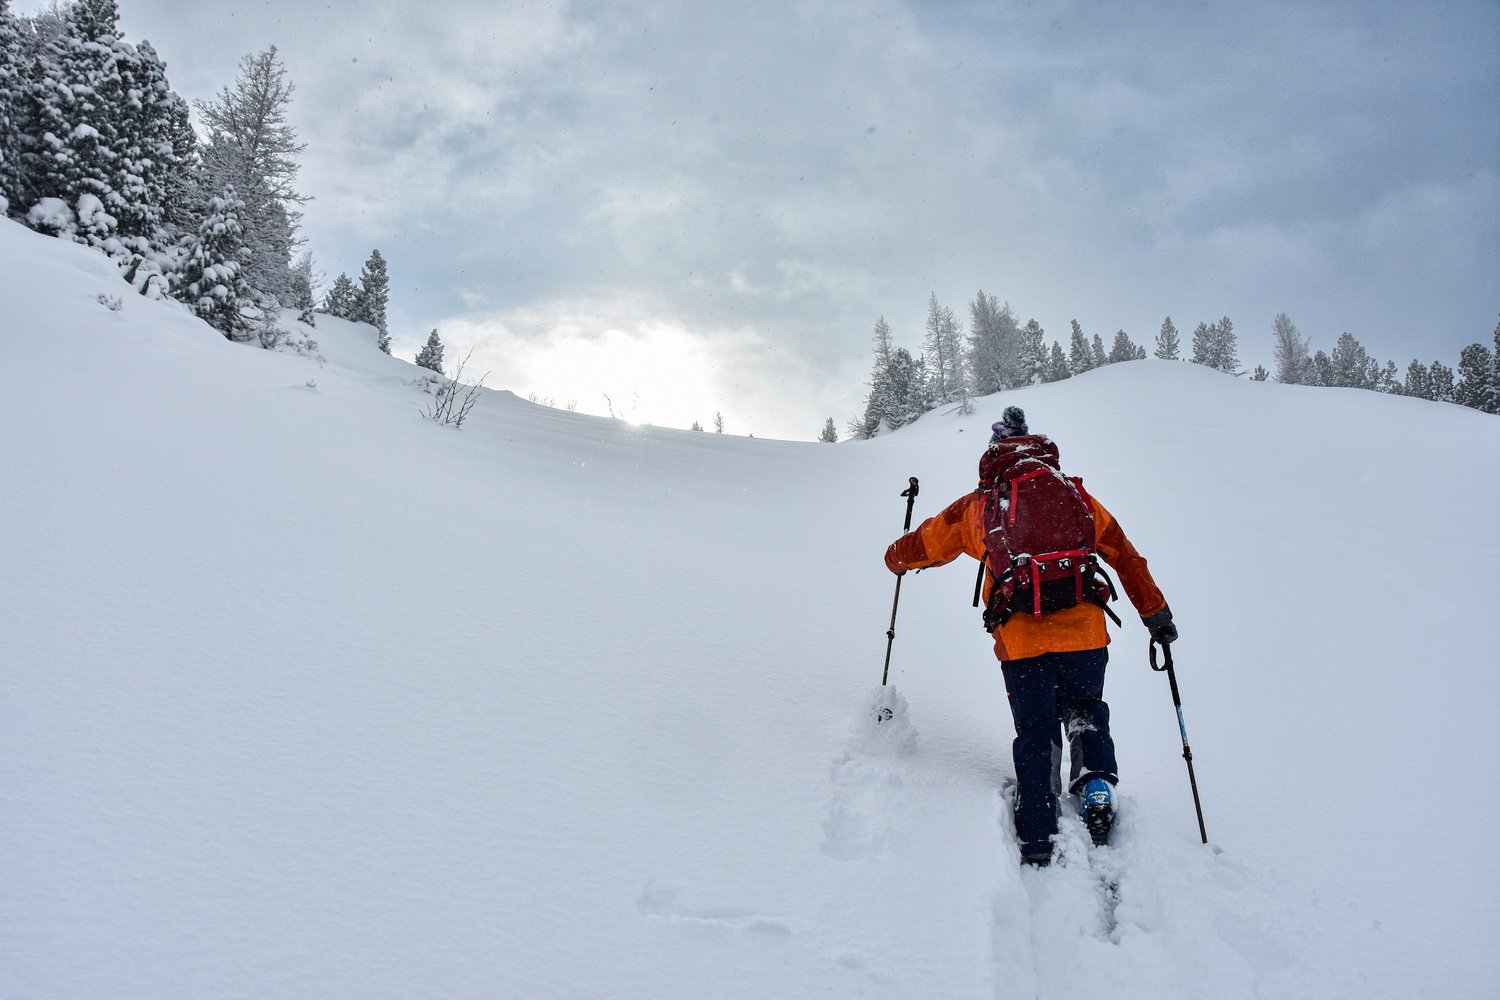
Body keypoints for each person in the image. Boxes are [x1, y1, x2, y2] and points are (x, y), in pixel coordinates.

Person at [883, 405, 1177, 866]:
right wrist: (1155, 614)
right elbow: (1125, 555)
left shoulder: (980, 506)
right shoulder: (1077, 496)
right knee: (1085, 708)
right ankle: (1097, 783)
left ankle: (1038, 829)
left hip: (1023, 641)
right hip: (1086, 633)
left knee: (1036, 727)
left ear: (994, 451)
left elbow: (927, 545)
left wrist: (896, 557)